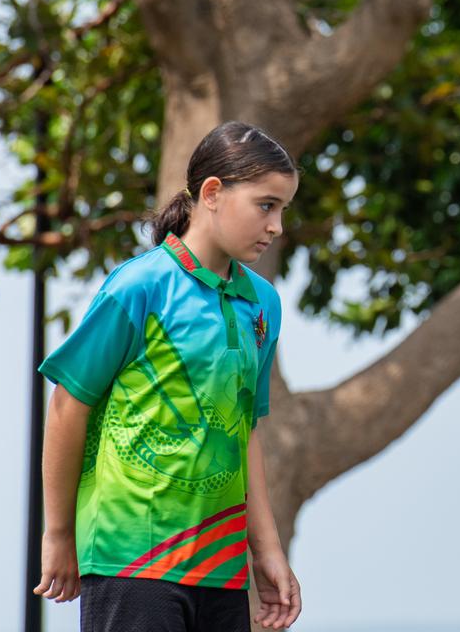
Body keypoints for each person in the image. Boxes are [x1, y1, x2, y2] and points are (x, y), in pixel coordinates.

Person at [32, 121, 302, 632]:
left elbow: (244, 432)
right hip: (130, 556)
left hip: (221, 570)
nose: (277, 227)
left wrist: (266, 551)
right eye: (266, 206)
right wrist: (59, 534)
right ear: (213, 193)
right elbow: (69, 404)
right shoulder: (140, 285)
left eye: (283, 210)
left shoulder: (262, 303)